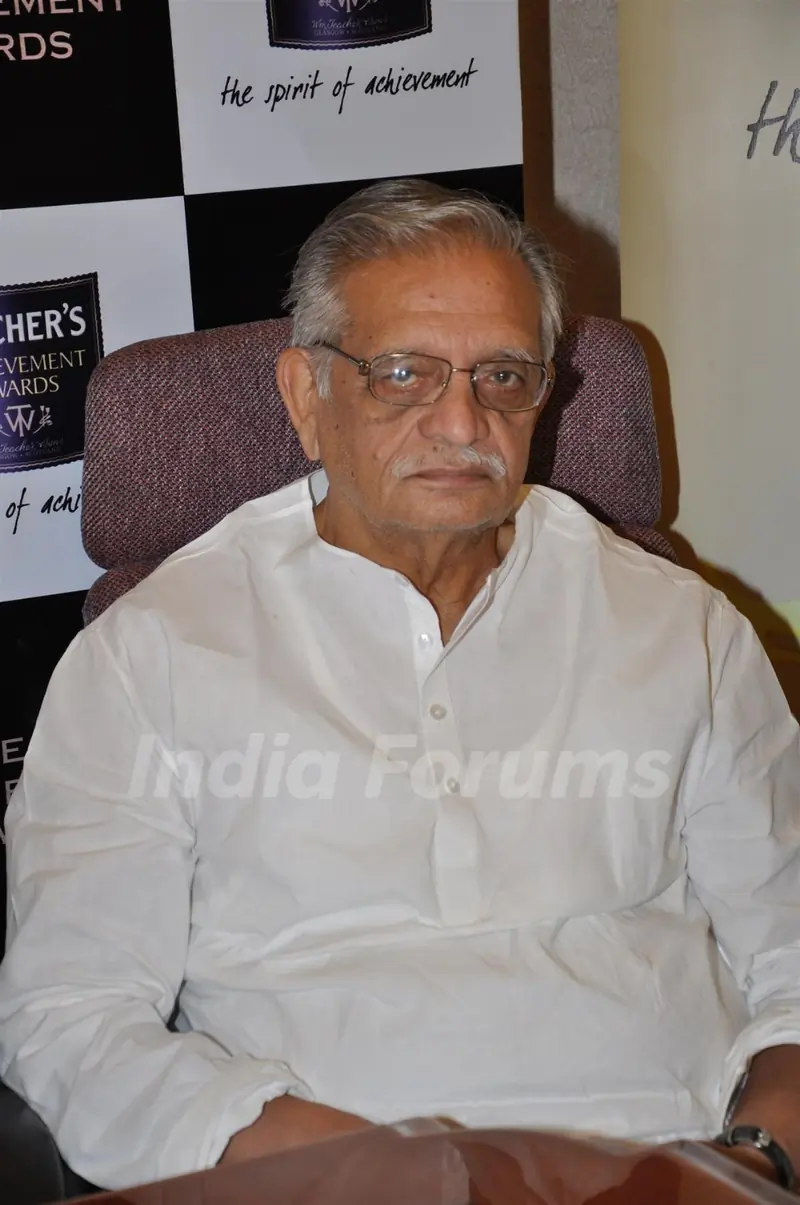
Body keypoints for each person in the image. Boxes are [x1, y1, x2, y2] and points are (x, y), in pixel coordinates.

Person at [1, 179, 800, 1194]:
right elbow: (68, 1019)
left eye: (502, 375)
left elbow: (788, 954)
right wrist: (394, 1170)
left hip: (664, 1168)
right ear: (305, 395)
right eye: (401, 374)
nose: (459, 418)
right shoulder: (152, 653)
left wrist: (753, 1161)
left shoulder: (680, 628)